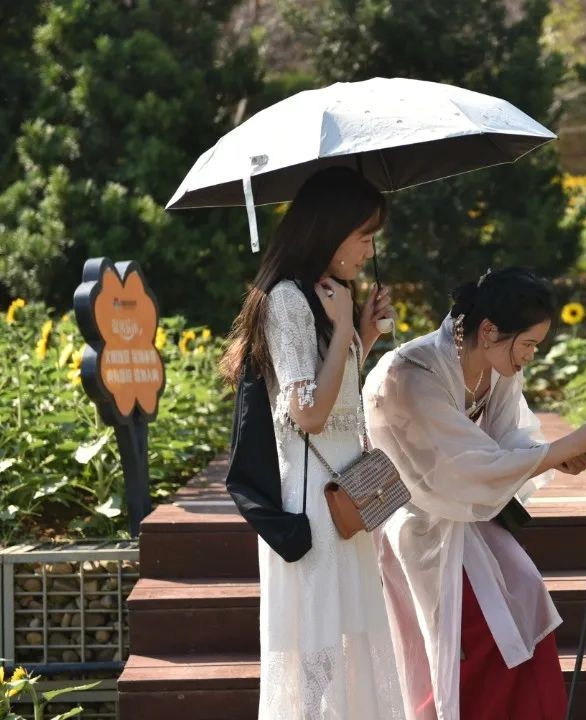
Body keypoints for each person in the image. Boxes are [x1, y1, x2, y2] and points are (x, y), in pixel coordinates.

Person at [364, 267, 586, 720]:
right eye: (527, 344)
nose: (530, 356)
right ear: (488, 330)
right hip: (418, 523)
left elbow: (505, 440)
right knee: (473, 634)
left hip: (468, 516)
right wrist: (563, 446)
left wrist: (556, 455)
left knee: (525, 596)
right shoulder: (409, 376)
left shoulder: (499, 365)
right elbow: (460, 468)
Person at [219, 166, 405, 720]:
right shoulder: (288, 301)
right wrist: (344, 325)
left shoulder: (323, 295)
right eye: (364, 235)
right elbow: (309, 413)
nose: (370, 248)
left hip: (345, 496)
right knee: (317, 649)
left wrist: (360, 338)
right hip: (314, 503)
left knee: (345, 635)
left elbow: (335, 397)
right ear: (331, 230)